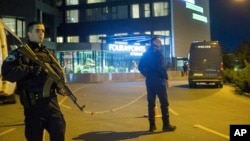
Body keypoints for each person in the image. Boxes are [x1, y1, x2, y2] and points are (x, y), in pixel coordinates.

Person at [1, 21, 66, 141]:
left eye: (43, 31)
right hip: (33, 105)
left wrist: (59, 87)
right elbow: (7, 72)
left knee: (59, 132)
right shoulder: (20, 53)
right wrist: (30, 69)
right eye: (37, 31)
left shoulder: (49, 54)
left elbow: (57, 74)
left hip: (51, 103)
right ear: (29, 34)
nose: (41, 33)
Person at [138, 36, 176, 132]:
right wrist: (166, 78)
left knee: (151, 103)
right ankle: (166, 125)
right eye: (159, 42)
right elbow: (161, 67)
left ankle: (152, 126)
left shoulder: (146, 53)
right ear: (154, 42)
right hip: (159, 80)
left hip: (149, 80)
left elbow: (140, 66)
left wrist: (146, 74)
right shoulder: (158, 53)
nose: (161, 44)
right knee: (164, 102)